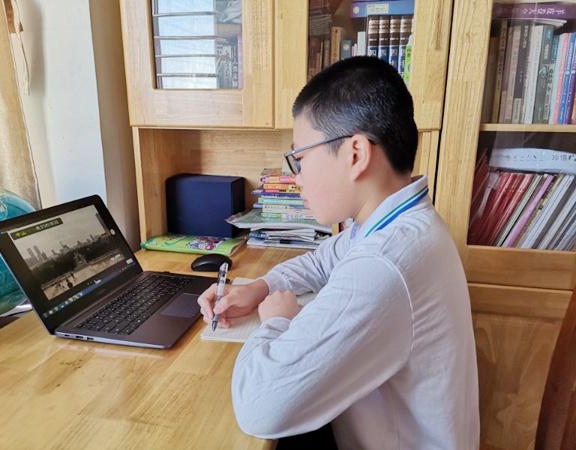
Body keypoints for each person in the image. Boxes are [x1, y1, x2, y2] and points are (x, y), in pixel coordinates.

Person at [198, 56, 479, 450]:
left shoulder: (385, 263)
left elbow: (259, 408)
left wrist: (276, 322)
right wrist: (260, 288)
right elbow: (320, 260)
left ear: (355, 154)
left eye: (300, 158)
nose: (297, 178)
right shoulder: (396, 221)